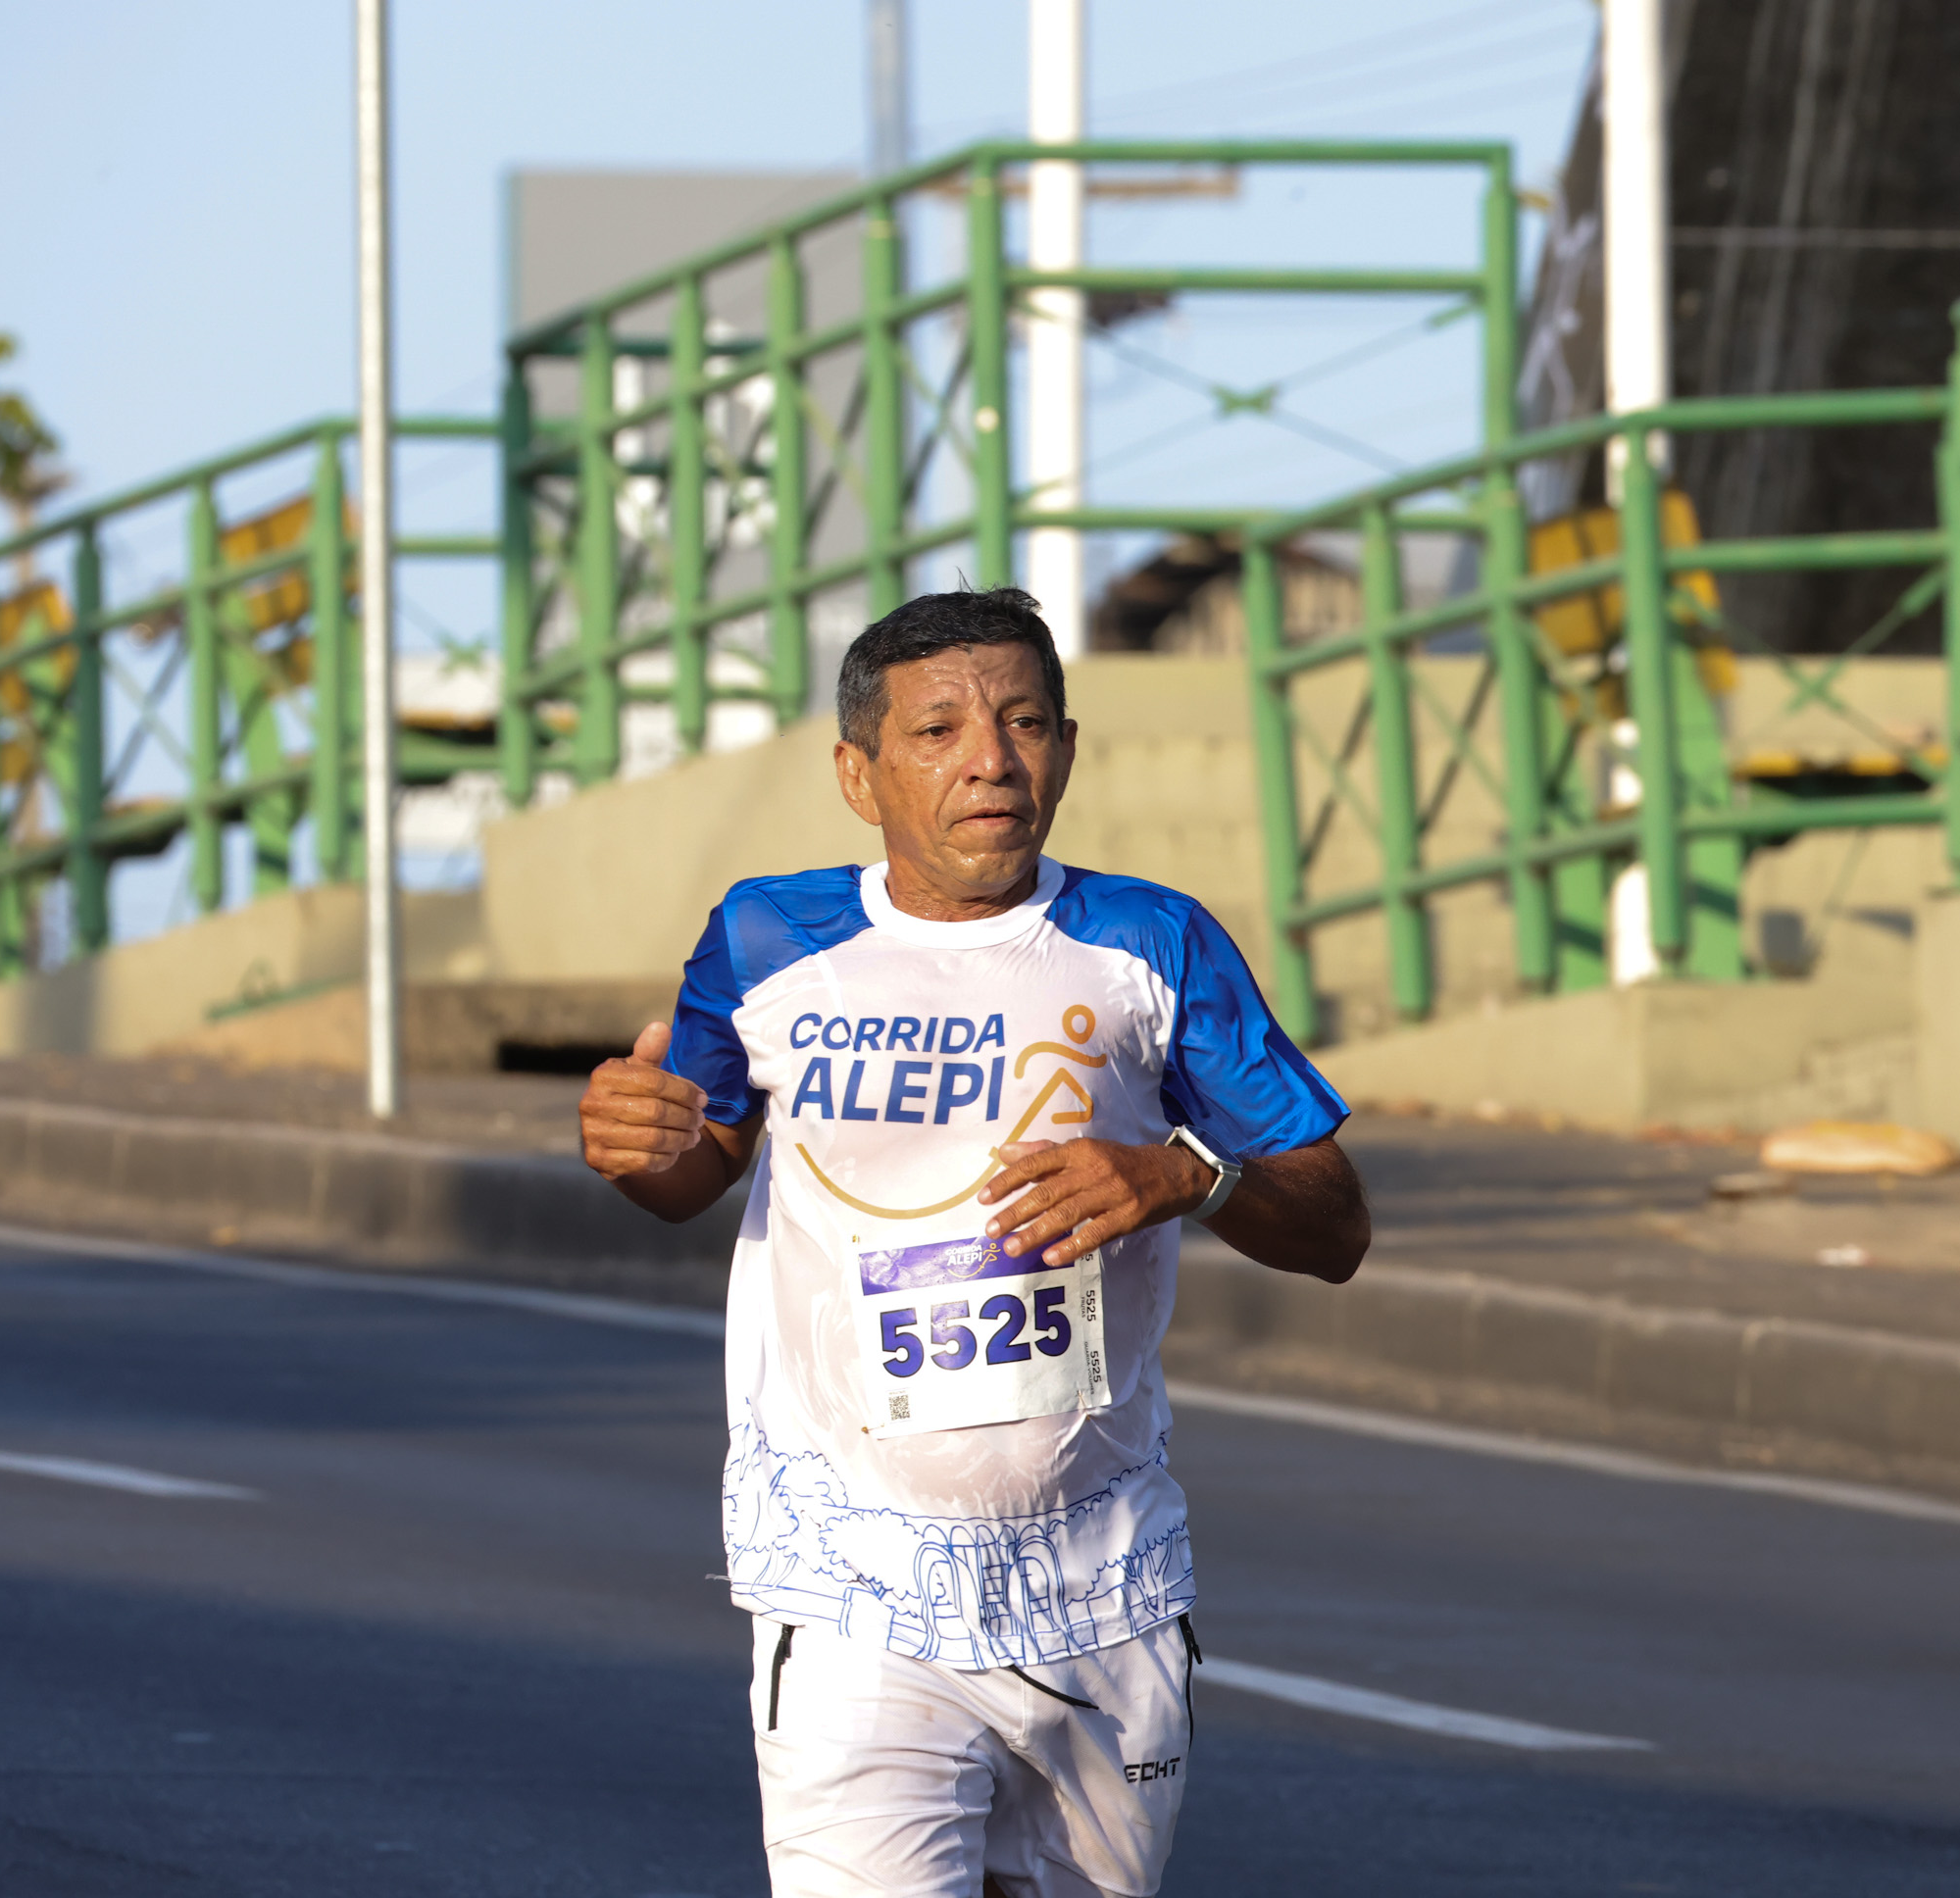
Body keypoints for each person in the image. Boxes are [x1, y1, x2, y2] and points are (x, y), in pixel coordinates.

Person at [577, 587, 1371, 1898]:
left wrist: (1186, 1176)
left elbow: (1335, 1224)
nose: (990, 760)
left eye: (1024, 722)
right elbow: (691, 1171)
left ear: (1066, 746)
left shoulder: (1151, 944)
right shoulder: (767, 940)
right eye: (938, 729)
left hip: (1098, 1584)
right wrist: (633, 1142)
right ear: (858, 771)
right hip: (851, 1584)